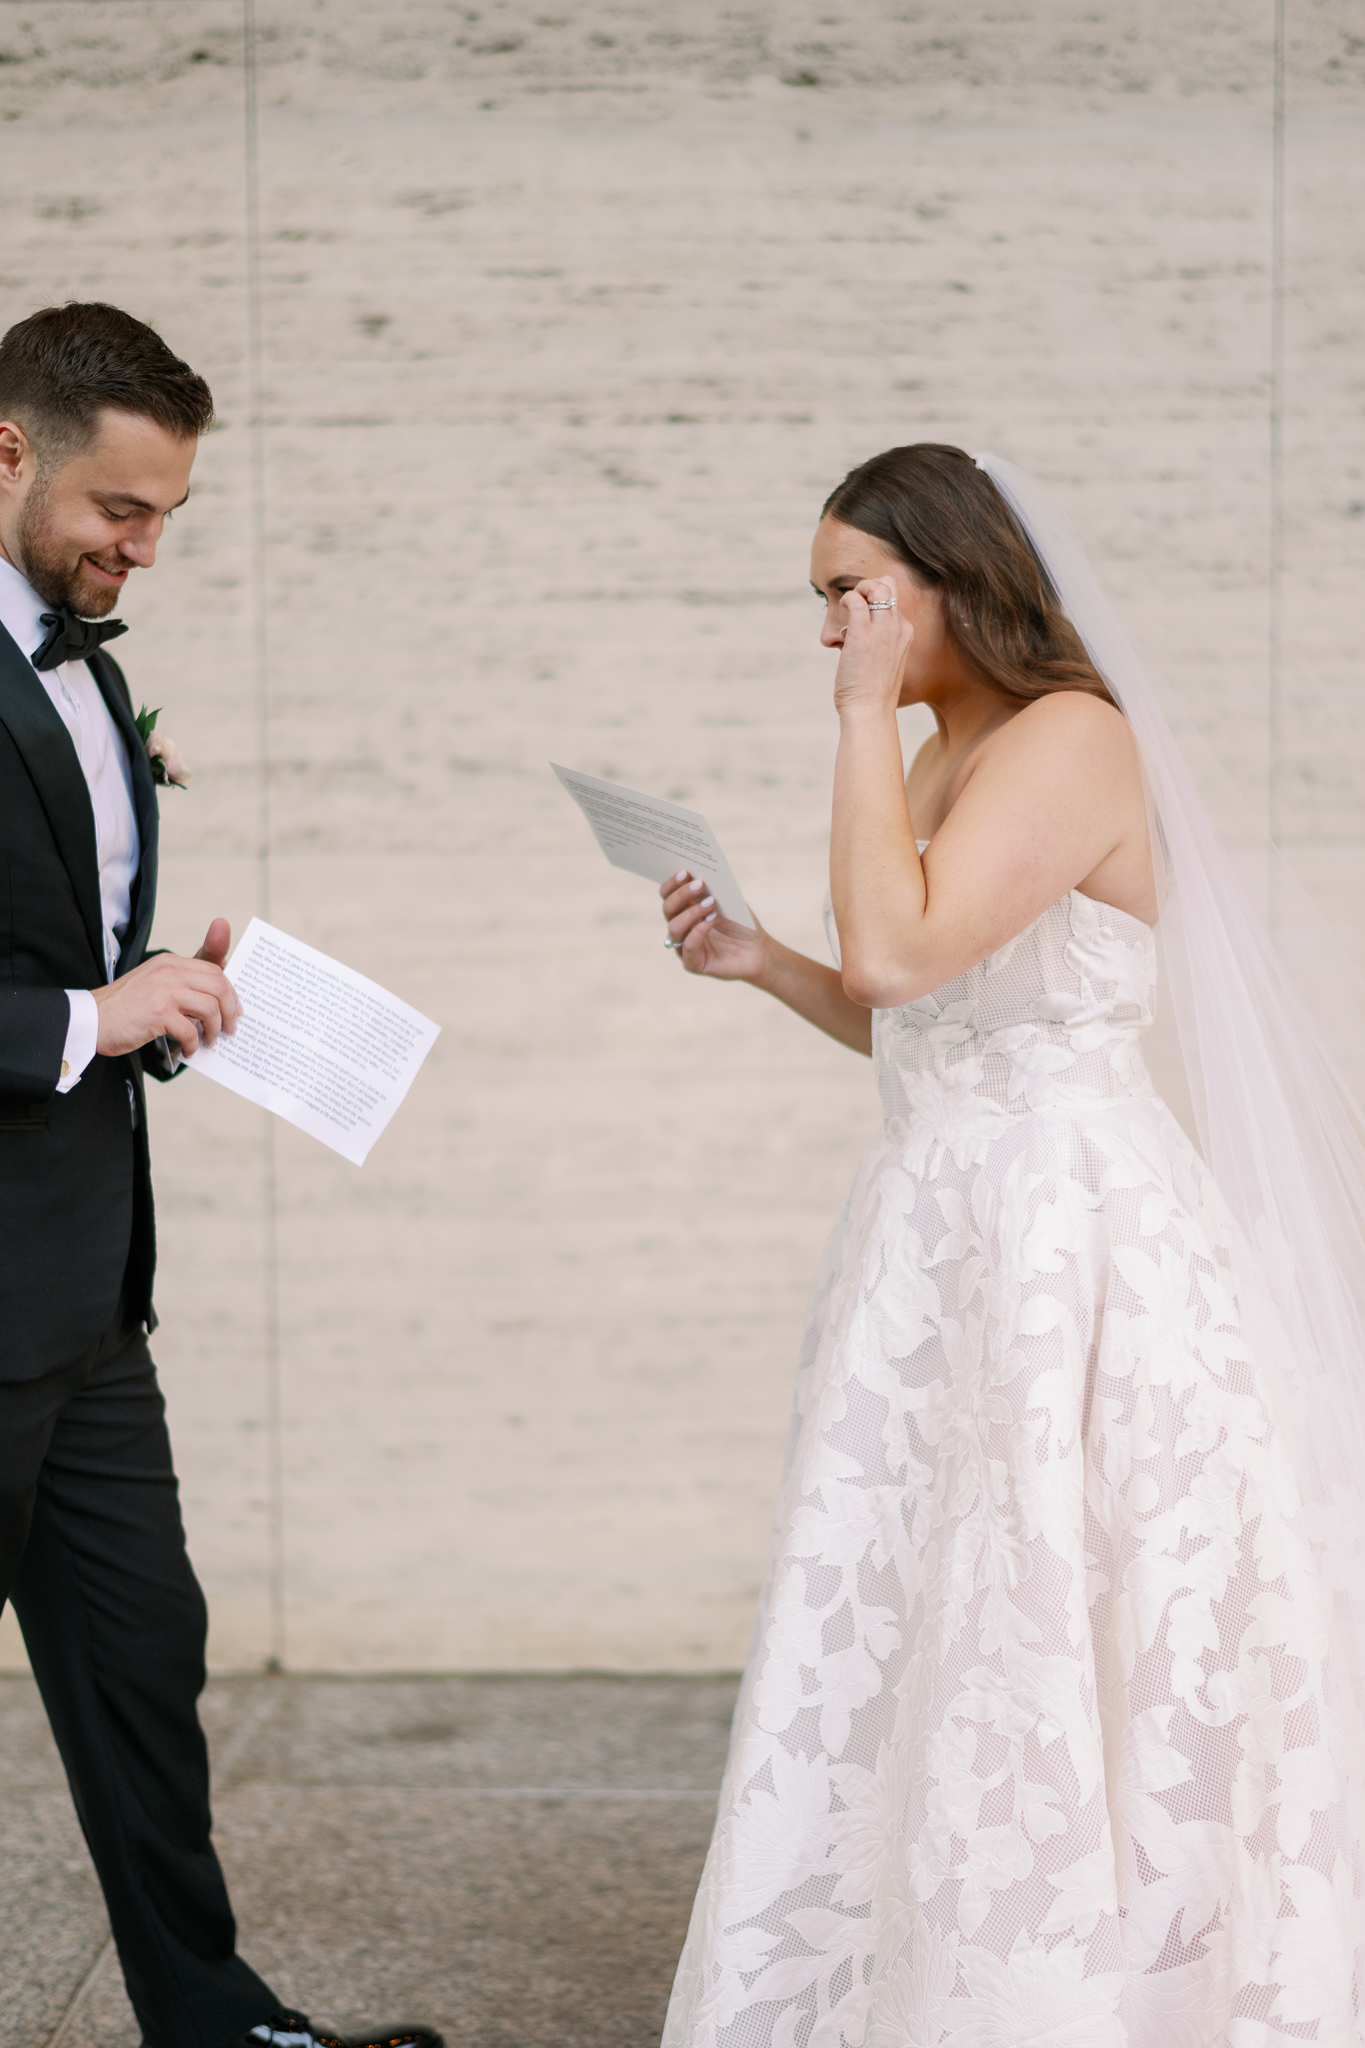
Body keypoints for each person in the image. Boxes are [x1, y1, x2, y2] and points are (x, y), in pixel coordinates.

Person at [657, 444, 1365, 2046]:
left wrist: (852, 718)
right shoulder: (933, 757)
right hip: (940, 1235)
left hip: (1070, 1251)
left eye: (853, 594)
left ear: (947, 580)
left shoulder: (1067, 739)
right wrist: (761, 959)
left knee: (1064, 1602)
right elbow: (916, 1023)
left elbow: (901, 950)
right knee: (937, 1615)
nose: (830, 633)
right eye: (822, 602)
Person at [0, 303, 442, 2048]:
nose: (144, 544)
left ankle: (215, 2027)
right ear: (8, 453)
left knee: (143, 1670)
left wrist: (159, 1008)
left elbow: (62, 957)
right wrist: (81, 1020)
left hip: (91, 1296)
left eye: (170, 513)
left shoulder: (93, 667)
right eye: (121, 506)